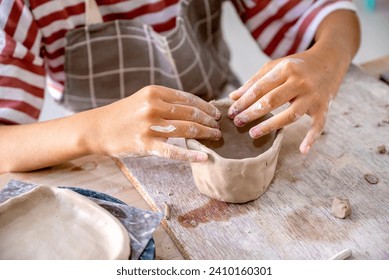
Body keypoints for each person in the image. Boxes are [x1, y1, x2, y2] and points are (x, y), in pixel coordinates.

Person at [0, 0, 360, 173]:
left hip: (220, 107)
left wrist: (327, 60)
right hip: (102, 153)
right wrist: (95, 130)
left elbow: (334, 14)